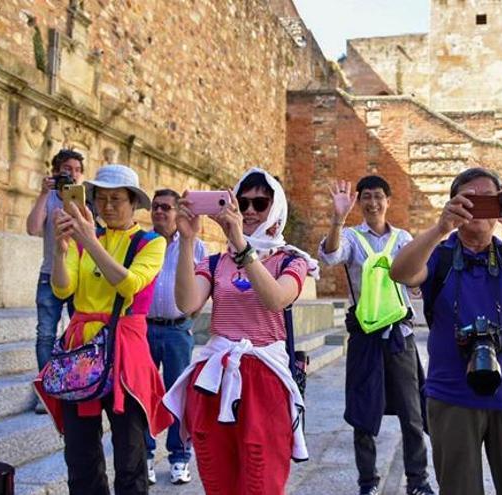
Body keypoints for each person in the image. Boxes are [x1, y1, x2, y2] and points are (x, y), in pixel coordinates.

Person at [391, 167, 502, 495]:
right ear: (453, 204)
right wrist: (440, 229)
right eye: (469, 200)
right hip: (452, 395)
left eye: (488, 200)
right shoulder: (439, 258)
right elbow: (401, 272)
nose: (478, 208)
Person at [164, 168, 319, 495]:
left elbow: (276, 298)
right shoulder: (217, 262)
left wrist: (239, 242)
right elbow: (187, 303)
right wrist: (187, 239)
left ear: (275, 210)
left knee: (261, 481)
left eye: (260, 204)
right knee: (218, 482)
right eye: (243, 202)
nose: (249, 211)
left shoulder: (291, 260)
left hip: (265, 381)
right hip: (215, 378)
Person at [34, 164, 173, 495]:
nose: (108, 206)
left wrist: (86, 238)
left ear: (133, 203)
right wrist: (61, 248)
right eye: (102, 198)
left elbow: (129, 285)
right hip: (81, 348)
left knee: (131, 452)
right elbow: (61, 290)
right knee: (80, 451)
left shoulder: (150, 243)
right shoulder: (83, 239)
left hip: (127, 350)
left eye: (117, 199)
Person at [317, 176, 434, 495]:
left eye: (378, 196)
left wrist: (417, 284)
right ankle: (367, 482)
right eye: (366, 197)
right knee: (362, 411)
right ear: (360, 201)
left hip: (400, 335)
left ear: (388, 200)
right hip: (366, 336)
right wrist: (337, 219)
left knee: (411, 412)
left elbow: (415, 280)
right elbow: (330, 255)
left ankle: (418, 480)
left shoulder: (403, 238)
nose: (372, 203)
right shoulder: (352, 237)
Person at [143, 189, 208, 486]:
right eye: (155, 207)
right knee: (143, 395)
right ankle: (144, 455)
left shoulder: (195, 246)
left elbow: (205, 286)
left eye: (166, 207)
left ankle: (180, 457)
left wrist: (188, 320)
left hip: (178, 330)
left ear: (177, 211)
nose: (159, 212)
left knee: (178, 395)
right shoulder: (142, 242)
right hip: (143, 329)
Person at [26, 149, 83, 413]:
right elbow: (32, 228)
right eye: (66, 169)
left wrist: (78, 203)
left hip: (78, 278)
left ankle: (73, 383)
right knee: (45, 334)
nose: (71, 173)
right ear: (56, 171)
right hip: (49, 274)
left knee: (78, 333)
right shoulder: (47, 198)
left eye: (76, 169)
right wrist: (41, 194)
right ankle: (46, 389)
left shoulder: (85, 199)